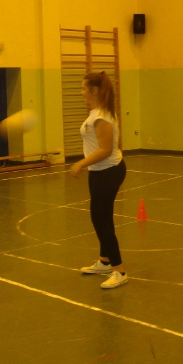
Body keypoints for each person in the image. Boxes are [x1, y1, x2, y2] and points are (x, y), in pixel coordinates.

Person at [69, 72, 128, 290]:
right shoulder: (97, 113)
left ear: (94, 90)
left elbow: (106, 150)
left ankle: (119, 271)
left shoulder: (102, 116)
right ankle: (105, 261)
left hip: (108, 172)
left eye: (84, 88)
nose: (81, 92)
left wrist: (81, 163)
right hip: (99, 171)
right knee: (103, 217)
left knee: (100, 220)